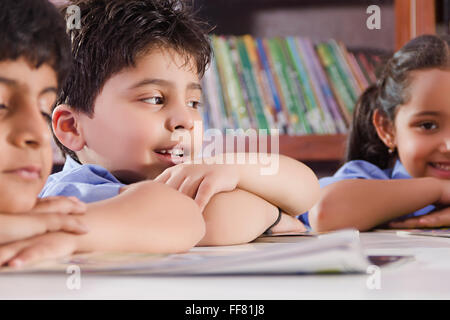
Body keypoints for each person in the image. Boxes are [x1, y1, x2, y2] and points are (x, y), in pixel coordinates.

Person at [41, 0, 319, 246]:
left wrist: (232, 167)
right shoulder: (73, 194)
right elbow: (213, 219)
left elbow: (306, 189)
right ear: (72, 127)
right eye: (154, 99)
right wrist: (274, 215)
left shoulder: (192, 169)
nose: (185, 120)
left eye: (193, 103)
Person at [306, 34, 450, 232]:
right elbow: (324, 211)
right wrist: (440, 190)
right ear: (387, 129)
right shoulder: (366, 180)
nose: (448, 146)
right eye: (427, 125)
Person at [0, 0, 90, 248]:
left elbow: (181, 216)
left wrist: (51, 229)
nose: (39, 133)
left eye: (43, 110)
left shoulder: (44, 214)